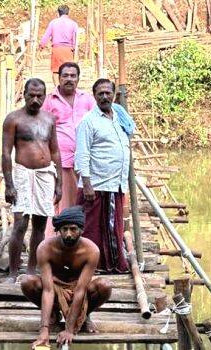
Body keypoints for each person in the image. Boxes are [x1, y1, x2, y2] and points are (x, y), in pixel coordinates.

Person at [20, 206, 112, 348]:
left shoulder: (91, 250)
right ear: (58, 230)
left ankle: (85, 315)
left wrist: (69, 330)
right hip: (54, 288)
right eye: (64, 229)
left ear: (81, 229)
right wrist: (44, 330)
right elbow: (48, 290)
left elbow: (81, 290)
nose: (68, 234)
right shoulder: (45, 248)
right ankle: (53, 314)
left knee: (104, 286)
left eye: (73, 229)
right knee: (27, 282)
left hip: (79, 290)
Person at [2, 78, 63, 283]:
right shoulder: (14, 119)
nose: (35, 100)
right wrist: (9, 184)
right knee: (20, 222)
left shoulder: (49, 119)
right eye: (32, 95)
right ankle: (12, 272)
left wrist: (59, 183)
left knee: (40, 222)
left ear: (45, 96)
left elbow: (55, 151)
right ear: (24, 95)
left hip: (45, 174)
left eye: (40, 96)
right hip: (22, 173)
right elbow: (5, 153)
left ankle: (31, 270)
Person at [74, 78, 135, 273]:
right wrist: (87, 183)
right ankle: (92, 264)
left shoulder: (119, 118)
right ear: (94, 96)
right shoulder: (89, 121)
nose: (104, 96)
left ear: (114, 94)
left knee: (113, 227)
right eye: (100, 93)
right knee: (92, 228)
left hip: (116, 183)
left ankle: (112, 264)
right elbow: (82, 154)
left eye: (108, 92)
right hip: (97, 183)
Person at [42, 62, 96, 237]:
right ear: (59, 78)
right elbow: (41, 128)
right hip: (60, 160)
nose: (69, 79)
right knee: (61, 201)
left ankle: (82, 237)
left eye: (73, 76)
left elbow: (97, 122)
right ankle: (55, 240)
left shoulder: (87, 99)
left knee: (83, 200)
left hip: (84, 160)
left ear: (78, 78)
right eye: (65, 75)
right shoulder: (50, 100)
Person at [39, 5, 79, 86]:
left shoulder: (53, 23)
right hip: (68, 50)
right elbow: (75, 41)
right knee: (69, 71)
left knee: (56, 71)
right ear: (68, 13)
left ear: (58, 13)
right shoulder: (74, 24)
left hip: (57, 50)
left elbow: (46, 36)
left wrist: (40, 48)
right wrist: (75, 54)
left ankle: (57, 89)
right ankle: (67, 88)